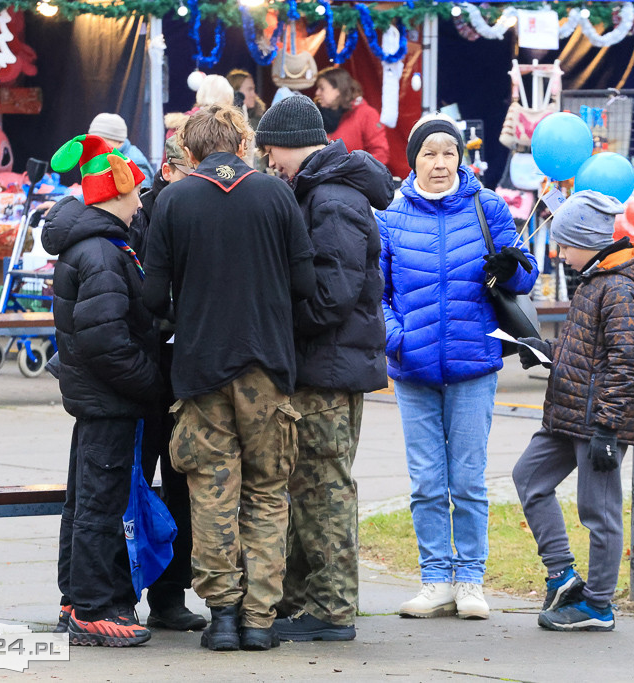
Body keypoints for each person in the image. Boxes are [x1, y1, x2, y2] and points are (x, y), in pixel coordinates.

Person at [142, 104, 316, 652]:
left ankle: (220, 617)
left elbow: (153, 296)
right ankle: (259, 621)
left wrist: (190, 309)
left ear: (189, 152)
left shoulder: (173, 200)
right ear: (243, 145)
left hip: (200, 369)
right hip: (267, 365)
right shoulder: (276, 194)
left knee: (211, 492)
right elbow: (305, 284)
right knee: (267, 493)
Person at [377, 113, 538, 620]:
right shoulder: (391, 216)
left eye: (449, 152)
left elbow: (525, 275)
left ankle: (469, 580)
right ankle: (435, 580)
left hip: (474, 364)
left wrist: (511, 269)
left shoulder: (487, 206)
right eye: (429, 153)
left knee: (467, 481)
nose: (440, 162)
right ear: (414, 161)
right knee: (426, 482)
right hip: (413, 369)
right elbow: (375, 294)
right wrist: (397, 339)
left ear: (460, 158)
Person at [253, 95, 396, 642]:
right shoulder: (322, 190)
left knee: (323, 490)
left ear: (294, 143)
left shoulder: (332, 199)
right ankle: (304, 600)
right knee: (310, 487)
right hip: (326, 364)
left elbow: (332, 295)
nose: (271, 163)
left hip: (328, 369)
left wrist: (279, 325)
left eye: (272, 151)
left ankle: (333, 610)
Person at [512, 190, 634, 633]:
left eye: (565, 245)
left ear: (587, 242)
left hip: (597, 423)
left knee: (599, 511)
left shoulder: (618, 288)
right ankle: (563, 575)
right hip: (568, 413)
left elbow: (627, 363)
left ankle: (597, 605)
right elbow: (587, 351)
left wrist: (608, 430)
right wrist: (545, 350)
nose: (560, 253)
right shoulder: (595, 280)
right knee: (529, 477)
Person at [43, 134, 161, 646]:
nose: (140, 201)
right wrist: (153, 384)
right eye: (134, 191)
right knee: (99, 504)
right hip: (111, 400)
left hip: (98, 399)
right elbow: (107, 342)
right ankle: (91, 609)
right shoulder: (101, 253)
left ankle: (75, 598)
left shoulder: (95, 245)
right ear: (115, 193)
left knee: (85, 501)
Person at [123, 134, 206, 634]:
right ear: (168, 170)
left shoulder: (199, 208)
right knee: (134, 484)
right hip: (147, 367)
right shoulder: (141, 215)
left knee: (182, 484)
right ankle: (121, 593)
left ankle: (170, 595)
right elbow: (137, 295)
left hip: (185, 366)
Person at [315, 66, 389, 166]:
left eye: (322, 88)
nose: (317, 92)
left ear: (338, 90)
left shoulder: (367, 114)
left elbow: (380, 153)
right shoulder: (317, 116)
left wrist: (353, 170)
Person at [88, 113, 154, 189]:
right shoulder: (103, 158)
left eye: (101, 142)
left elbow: (142, 194)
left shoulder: (135, 163)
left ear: (118, 141)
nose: (95, 147)